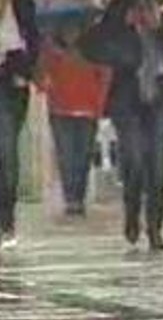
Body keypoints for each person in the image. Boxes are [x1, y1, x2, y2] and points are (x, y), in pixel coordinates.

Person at [82, 0, 163, 252]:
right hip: (128, 97)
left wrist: (162, 26)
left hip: (160, 94)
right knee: (135, 161)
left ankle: (155, 227)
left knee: (159, 166)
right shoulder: (120, 6)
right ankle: (131, 213)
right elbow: (94, 44)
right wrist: (125, 28)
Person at [37, 16, 112, 218]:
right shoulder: (52, 52)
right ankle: (71, 199)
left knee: (83, 155)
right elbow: (41, 78)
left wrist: (101, 103)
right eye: (67, 29)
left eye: (75, 28)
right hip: (61, 110)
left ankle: (78, 195)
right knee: (66, 155)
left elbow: (105, 76)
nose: (71, 34)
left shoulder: (94, 52)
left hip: (88, 109)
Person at [0, 0, 39, 251]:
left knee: (7, 155)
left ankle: (6, 220)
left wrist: (24, 70)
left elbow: (32, 38)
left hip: (10, 85)